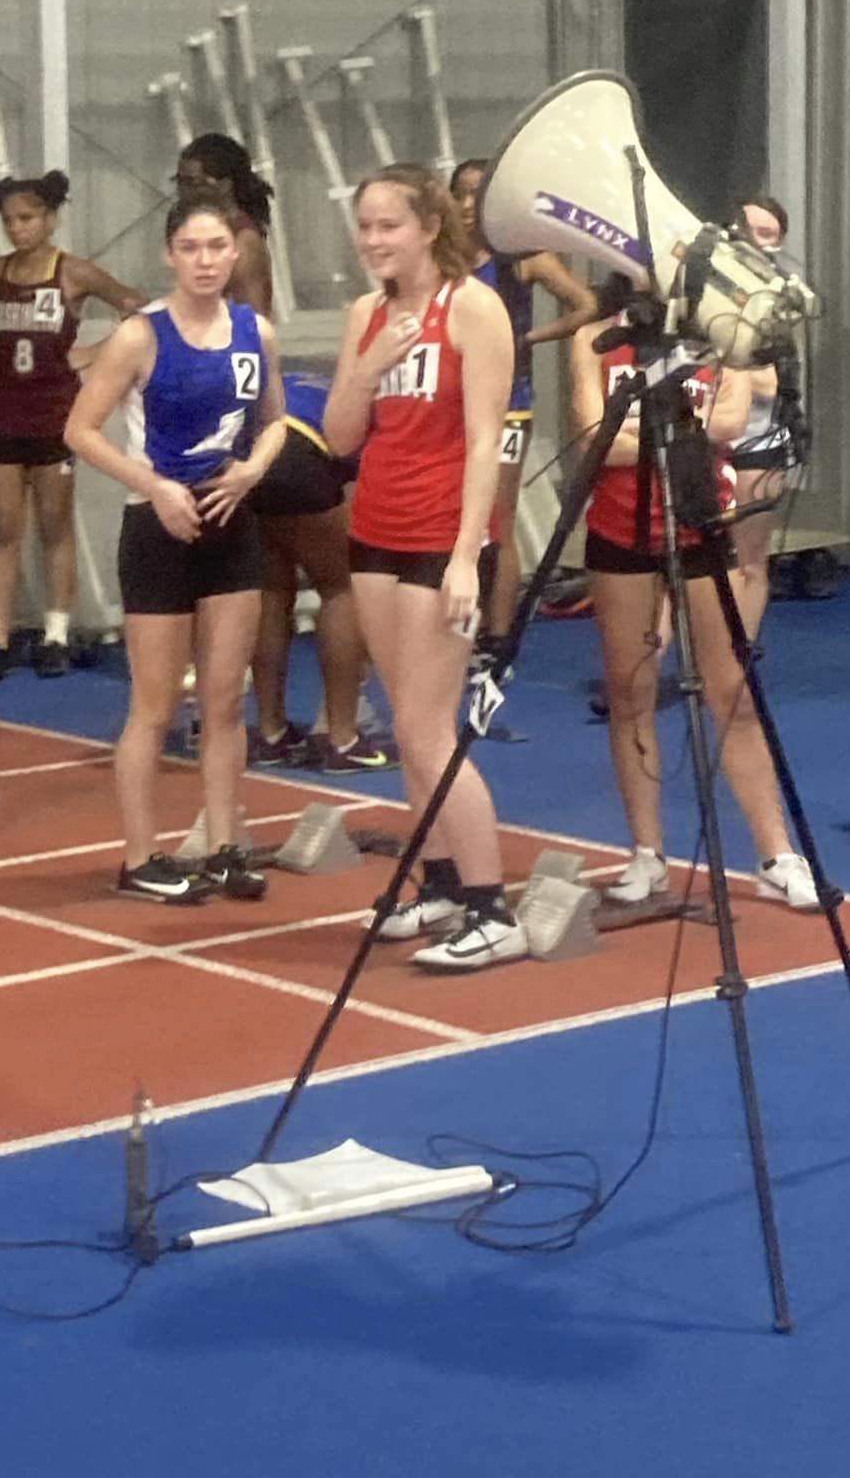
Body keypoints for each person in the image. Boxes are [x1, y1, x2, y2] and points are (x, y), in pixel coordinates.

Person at [324, 163, 526, 972]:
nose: (373, 240)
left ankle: (491, 905)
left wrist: (469, 555)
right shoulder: (365, 314)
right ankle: (439, 883)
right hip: (375, 525)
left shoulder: (474, 308)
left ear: (429, 227)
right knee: (405, 720)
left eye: (388, 226)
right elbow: (340, 436)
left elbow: (486, 439)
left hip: (442, 532)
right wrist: (370, 367)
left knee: (426, 728)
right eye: (365, 226)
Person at [64, 191, 288, 904]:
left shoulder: (257, 332)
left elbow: (276, 420)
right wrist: (154, 486)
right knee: (155, 706)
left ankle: (225, 844)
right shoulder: (141, 335)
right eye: (190, 248)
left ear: (236, 253)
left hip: (231, 525)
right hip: (158, 529)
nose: (204, 261)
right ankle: (138, 857)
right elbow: (80, 429)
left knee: (224, 703)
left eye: (216, 247)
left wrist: (254, 467)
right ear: (169, 255)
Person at [569, 316, 818, 911]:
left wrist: (638, 433)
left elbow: (730, 422)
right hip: (618, 534)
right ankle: (647, 855)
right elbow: (590, 439)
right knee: (630, 691)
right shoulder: (594, 338)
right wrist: (681, 433)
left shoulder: (720, 333)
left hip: (705, 527)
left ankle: (777, 854)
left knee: (731, 691)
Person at [0, 170, 144, 680]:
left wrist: (95, 355)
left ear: (51, 218)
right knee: (5, 526)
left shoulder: (73, 273)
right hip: (5, 410)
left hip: (56, 412)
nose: (18, 228)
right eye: (10, 220)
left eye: (28, 218)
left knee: (55, 524)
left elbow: (137, 307)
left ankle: (56, 633)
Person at [449, 158, 597, 640]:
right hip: (455, 406)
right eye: (460, 194)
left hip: (509, 404)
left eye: (478, 193)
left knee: (500, 517)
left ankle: (499, 633)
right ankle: (460, 622)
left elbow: (587, 305)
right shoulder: (441, 260)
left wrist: (532, 337)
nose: (469, 205)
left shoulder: (521, 256)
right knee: (457, 514)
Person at [248, 371, 393, 772]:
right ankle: (340, 738)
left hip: (250, 455)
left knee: (272, 592)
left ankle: (271, 734)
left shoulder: (316, 380)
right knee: (342, 586)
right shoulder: (379, 411)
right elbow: (358, 497)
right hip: (297, 453)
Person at [726, 196, 801, 639]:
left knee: (749, 557)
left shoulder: (785, 295)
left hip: (758, 440)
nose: (757, 242)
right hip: (703, 438)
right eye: (750, 231)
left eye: (769, 234)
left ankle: (741, 652)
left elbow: (770, 383)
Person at [174, 132, 275, 315]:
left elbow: (253, 320)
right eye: (179, 181)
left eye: (192, 183)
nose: (183, 191)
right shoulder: (190, 228)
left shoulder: (243, 242)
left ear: (225, 185)